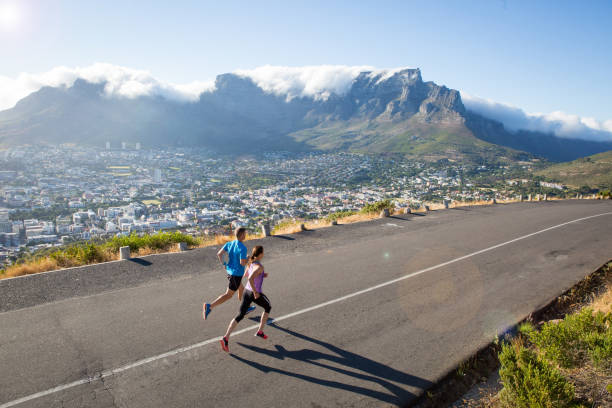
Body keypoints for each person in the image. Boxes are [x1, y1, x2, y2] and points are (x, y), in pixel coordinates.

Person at [220, 245, 271, 352]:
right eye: (263, 252)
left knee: (240, 315)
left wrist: (261, 275)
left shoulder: (251, 262)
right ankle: (260, 331)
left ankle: (225, 338)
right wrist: (256, 292)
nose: (264, 254)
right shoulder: (259, 266)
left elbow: (246, 274)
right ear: (260, 254)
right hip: (254, 292)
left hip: (246, 292)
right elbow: (251, 278)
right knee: (268, 307)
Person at [203, 227, 254, 320]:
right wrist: (248, 259)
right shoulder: (242, 247)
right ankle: (209, 306)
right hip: (236, 274)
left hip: (230, 271)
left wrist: (224, 264)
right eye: (245, 233)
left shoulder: (229, 243)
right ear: (242, 235)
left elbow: (219, 254)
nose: (245, 235)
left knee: (241, 288)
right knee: (228, 295)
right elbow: (242, 263)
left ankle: (245, 308)